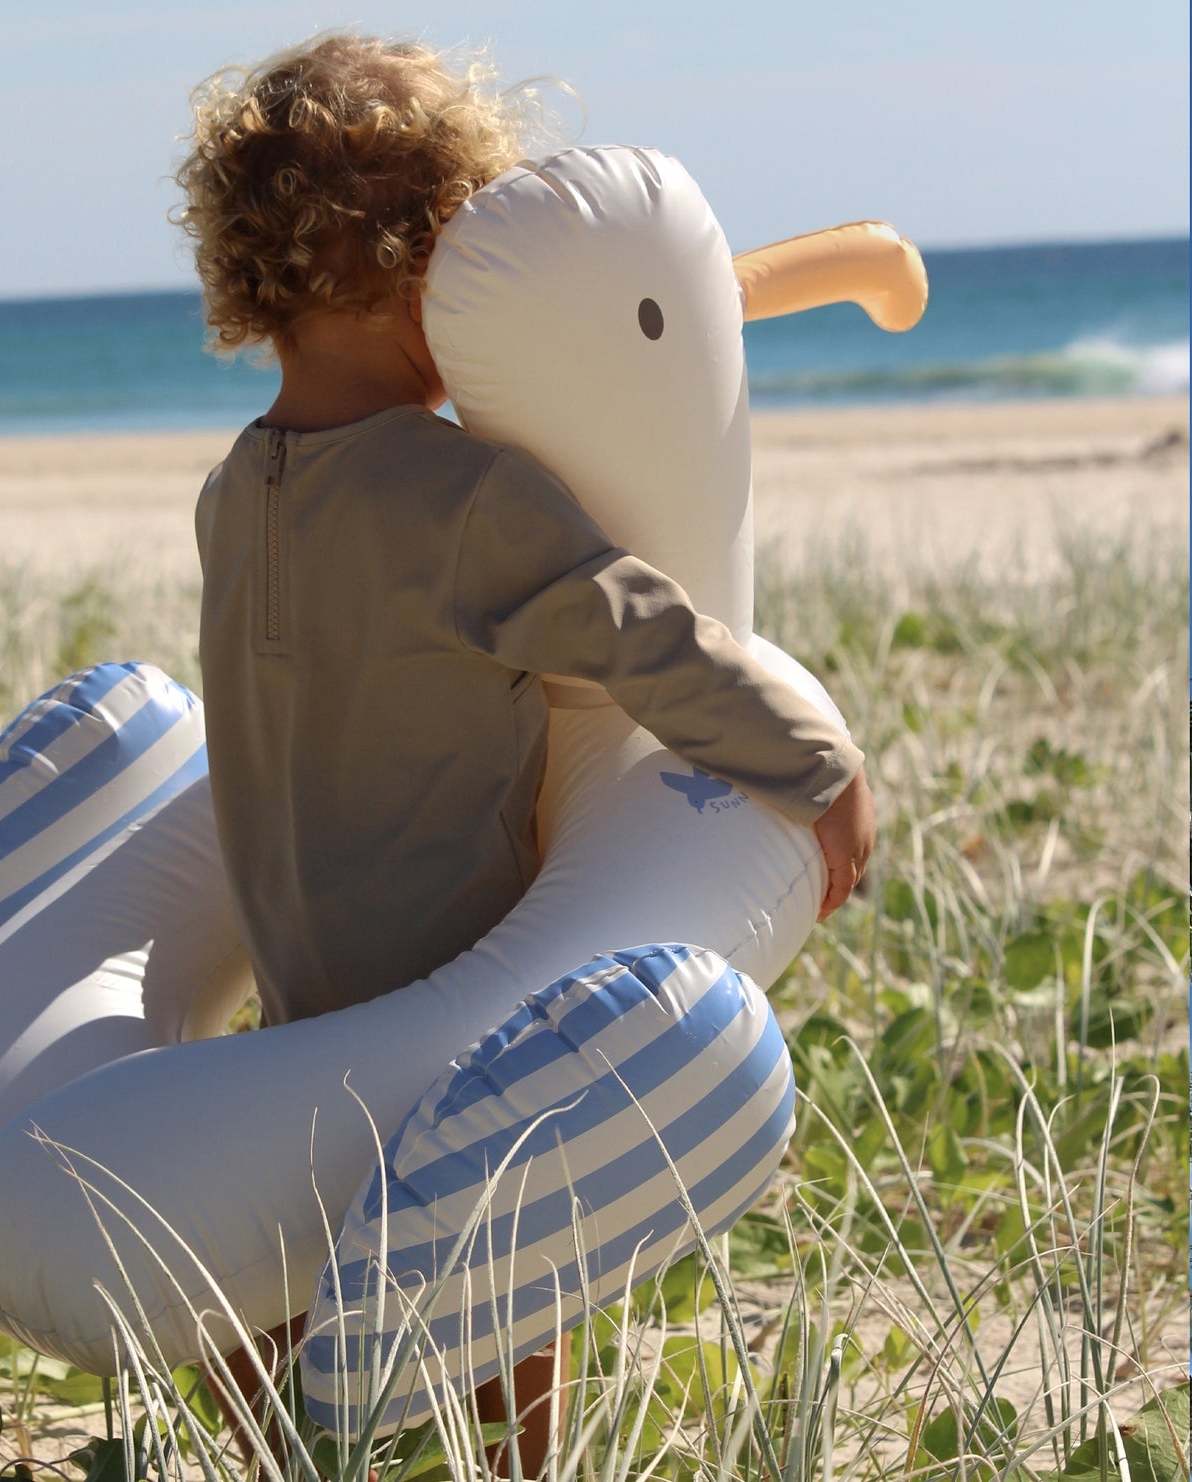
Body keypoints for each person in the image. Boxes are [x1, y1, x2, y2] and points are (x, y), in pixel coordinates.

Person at [175, 32, 875, 1474]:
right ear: (429, 265)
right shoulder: (462, 496)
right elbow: (642, 630)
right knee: (510, 1269)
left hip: (295, 986)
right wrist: (815, 762)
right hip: (453, 976)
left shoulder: (232, 493)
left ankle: (279, 1450)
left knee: (281, 1263)